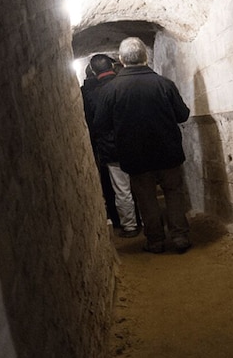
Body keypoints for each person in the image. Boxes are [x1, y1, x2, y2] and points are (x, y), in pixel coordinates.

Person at [94, 37, 192, 254]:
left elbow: (100, 125)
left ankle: (155, 241)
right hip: (168, 152)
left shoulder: (110, 91)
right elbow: (182, 115)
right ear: (145, 57)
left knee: (146, 199)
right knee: (174, 193)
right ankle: (179, 237)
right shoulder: (164, 84)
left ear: (121, 60)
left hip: (135, 156)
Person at [87, 54, 141, 238]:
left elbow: (96, 124)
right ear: (112, 65)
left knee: (122, 190)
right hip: (136, 142)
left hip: (112, 147)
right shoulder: (128, 85)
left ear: (94, 72)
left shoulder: (93, 94)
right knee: (142, 185)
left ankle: (130, 225)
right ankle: (150, 222)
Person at [81, 61, 122, 231]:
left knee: (118, 187)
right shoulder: (120, 86)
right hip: (128, 142)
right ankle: (138, 220)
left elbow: (94, 122)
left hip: (106, 146)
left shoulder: (91, 93)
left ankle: (123, 221)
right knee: (134, 185)